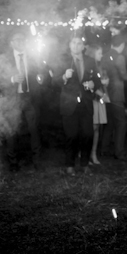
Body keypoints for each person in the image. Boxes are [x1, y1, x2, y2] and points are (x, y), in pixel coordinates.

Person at [4, 31, 48, 172]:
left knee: (34, 129)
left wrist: (41, 78)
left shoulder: (33, 58)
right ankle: (13, 162)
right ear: (11, 43)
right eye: (16, 40)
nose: (20, 42)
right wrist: (12, 79)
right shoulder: (5, 59)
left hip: (30, 97)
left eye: (22, 40)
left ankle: (37, 161)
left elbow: (43, 74)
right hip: (13, 97)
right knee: (12, 130)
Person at [56, 36, 97, 175]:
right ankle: (69, 165)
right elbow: (53, 81)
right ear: (69, 45)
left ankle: (85, 164)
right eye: (73, 43)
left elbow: (97, 80)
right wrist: (64, 77)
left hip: (86, 104)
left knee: (88, 134)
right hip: (69, 104)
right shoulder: (63, 61)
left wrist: (93, 85)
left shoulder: (91, 61)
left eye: (79, 43)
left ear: (83, 46)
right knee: (71, 135)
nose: (76, 45)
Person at [101, 35, 127, 160]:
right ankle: (119, 152)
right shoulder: (120, 57)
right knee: (121, 123)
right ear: (122, 45)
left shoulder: (104, 56)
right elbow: (124, 77)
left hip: (106, 92)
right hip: (116, 94)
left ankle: (104, 150)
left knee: (109, 123)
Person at [87, 43, 108, 166]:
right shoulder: (88, 67)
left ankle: (93, 154)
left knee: (97, 129)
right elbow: (89, 85)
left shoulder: (100, 67)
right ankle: (85, 153)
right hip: (92, 99)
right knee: (90, 128)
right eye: (99, 53)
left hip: (100, 99)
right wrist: (100, 93)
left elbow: (102, 81)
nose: (101, 55)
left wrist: (105, 83)